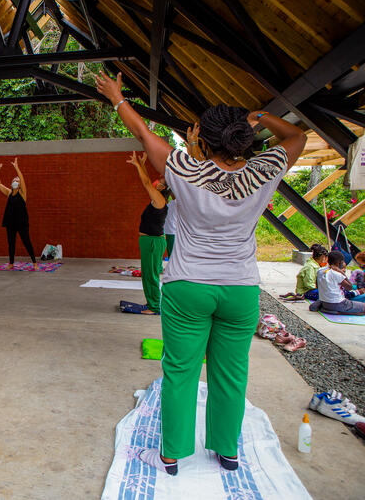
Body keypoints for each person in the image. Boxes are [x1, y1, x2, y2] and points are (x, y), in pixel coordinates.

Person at [97, 71, 307, 475]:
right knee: (231, 374)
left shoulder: (184, 169)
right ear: (242, 140)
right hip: (240, 289)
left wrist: (117, 97)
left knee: (180, 372)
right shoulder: (263, 172)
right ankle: (227, 450)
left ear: (203, 141)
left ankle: (172, 455)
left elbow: (143, 133)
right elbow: (296, 138)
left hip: (188, 284)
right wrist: (260, 116)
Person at [128, 151, 169, 315]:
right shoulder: (157, 199)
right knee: (147, 273)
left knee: (150, 275)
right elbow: (146, 182)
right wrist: (142, 165)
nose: (157, 179)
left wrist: (138, 165)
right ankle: (152, 303)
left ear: (161, 187)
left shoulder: (160, 200)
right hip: (150, 242)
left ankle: (154, 306)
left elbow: (146, 183)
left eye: (161, 180)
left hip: (152, 242)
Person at [0, 158, 37, 270]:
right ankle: (11, 263)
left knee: (27, 242)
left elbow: (22, 179)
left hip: (22, 222)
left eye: (17, 181)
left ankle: (34, 262)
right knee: (11, 243)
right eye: (14, 180)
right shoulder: (9, 193)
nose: (15, 181)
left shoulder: (23, 193)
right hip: (10, 222)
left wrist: (16, 168)